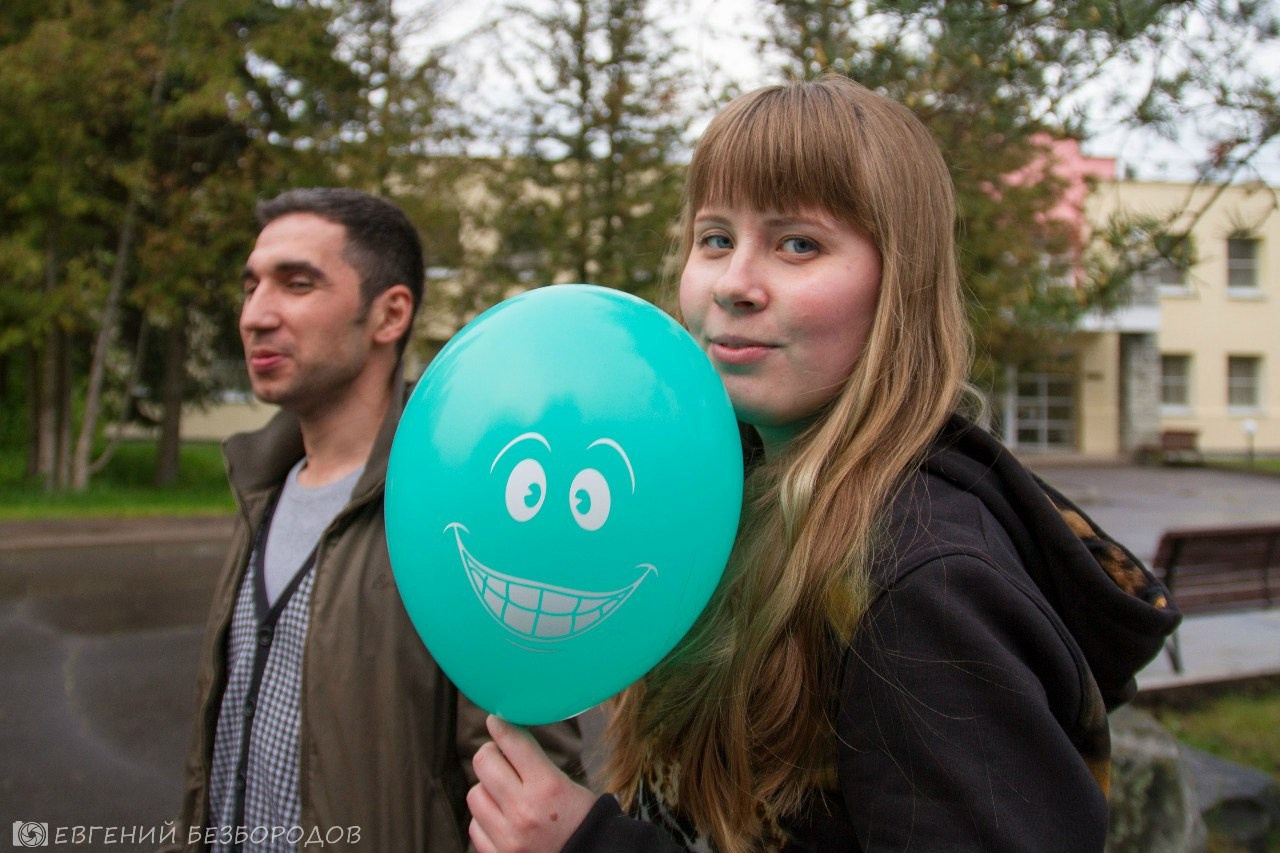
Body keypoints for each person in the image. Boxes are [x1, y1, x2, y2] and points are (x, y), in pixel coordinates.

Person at [464, 77, 1181, 853]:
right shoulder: (718, 499)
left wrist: (593, 846)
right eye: (715, 238)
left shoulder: (922, 584)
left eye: (797, 243)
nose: (734, 283)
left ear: (897, 285)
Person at [171, 188, 583, 852]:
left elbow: (531, 803)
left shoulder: (467, 516)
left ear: (390, 313)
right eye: (250, 287)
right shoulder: (260, 490)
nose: (255, 315)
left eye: (296, 284)